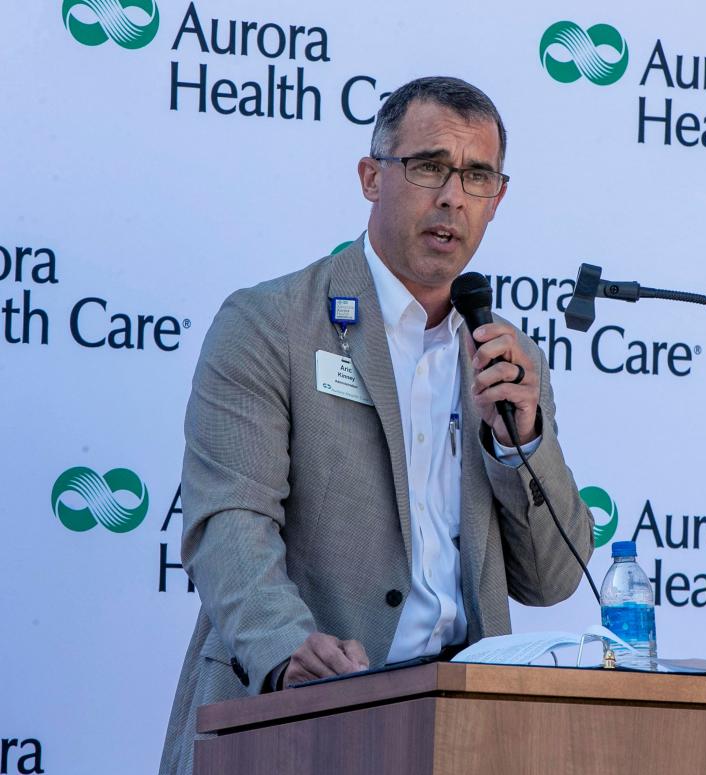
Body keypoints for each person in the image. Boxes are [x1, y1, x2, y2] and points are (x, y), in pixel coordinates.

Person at [159, 76, 593, 775]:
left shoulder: (503, 357)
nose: (452, 195)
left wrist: (525, 443)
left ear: (497, 199)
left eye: (477, 175)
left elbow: (550, 578)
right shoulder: (270, 325)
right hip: (298, 720)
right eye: (428, 166)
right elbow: (229, 522)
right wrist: (285, 647)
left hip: (462, 732)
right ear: (371, 178)